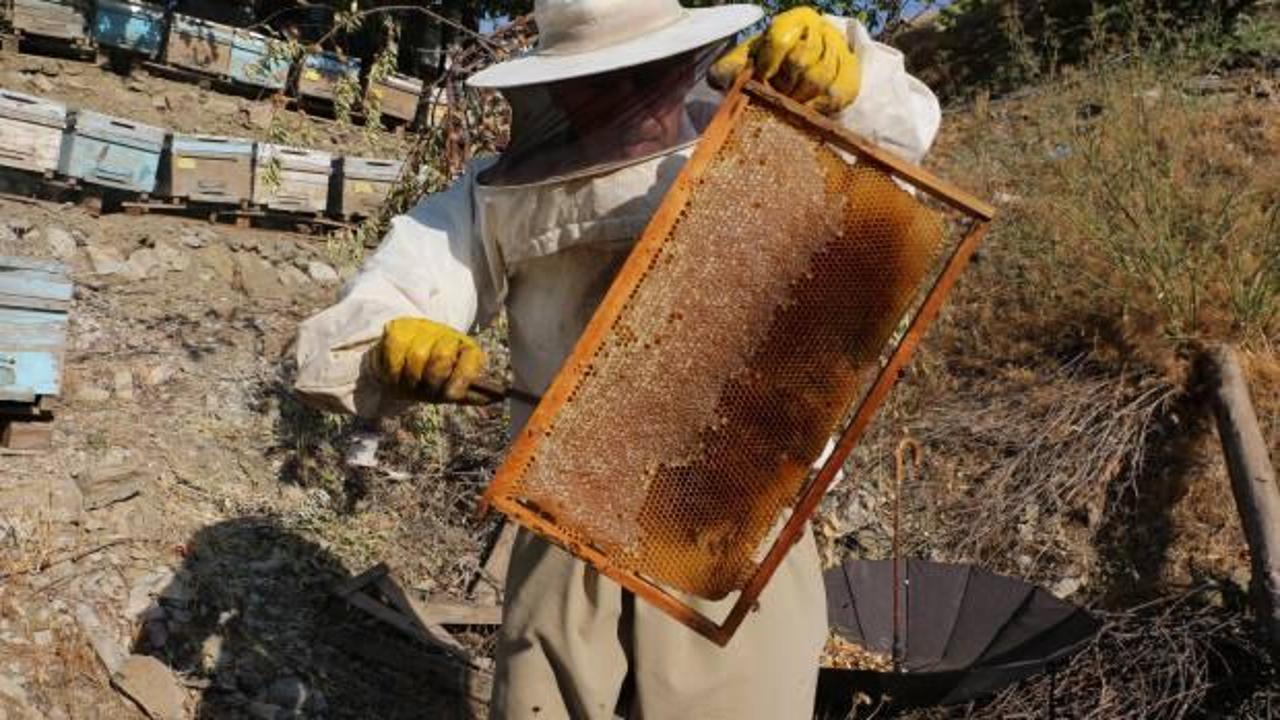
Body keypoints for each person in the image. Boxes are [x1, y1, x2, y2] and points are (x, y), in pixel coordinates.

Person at [295, 1, 940, 717]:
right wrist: (392, 342)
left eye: (648, 74)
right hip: (564, 518)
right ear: (560, 88)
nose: (633, 98)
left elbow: (904, 135)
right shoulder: (492, 195)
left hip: (733, 522)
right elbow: (376, 306)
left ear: (683, 63)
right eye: (604, 80)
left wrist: (847, 80)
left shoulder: (775, 134)